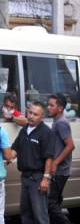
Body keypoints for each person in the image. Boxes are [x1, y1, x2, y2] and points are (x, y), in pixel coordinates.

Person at [11, 101, 55, 224]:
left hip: (38, 179)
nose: (31, 116)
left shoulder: (46, 132)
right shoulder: (24, 130)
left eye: (35, 114)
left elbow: (49, 157)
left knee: (40, 216)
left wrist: (46, 179)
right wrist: (6, 158)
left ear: (42, 117)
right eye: (30, 112)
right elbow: (14, 150)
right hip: (25, 178)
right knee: (26, 214)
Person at [47, 94, 75, 224]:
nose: (48, 107)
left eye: (52, 105)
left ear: (60, 108)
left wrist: (56, 163)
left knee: (51, 205)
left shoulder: (61, 124)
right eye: (48, 104)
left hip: (60, 171)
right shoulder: (56, 122)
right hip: (59, 170)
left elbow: (70, 145)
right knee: (56, 203)